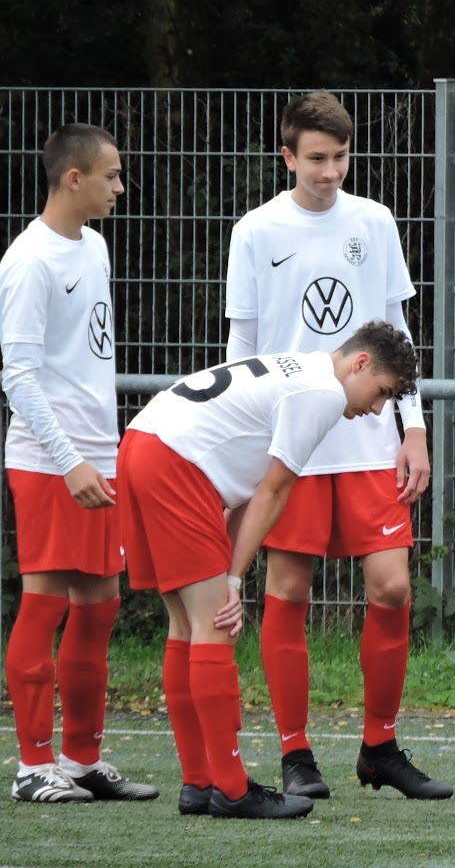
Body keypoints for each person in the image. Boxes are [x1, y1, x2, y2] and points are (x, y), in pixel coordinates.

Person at [224, 92, 449, 800]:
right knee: (288, 589)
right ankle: (296, 753)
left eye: (340, 157)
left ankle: (379, 744)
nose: (329, 171)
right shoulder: (256, 230)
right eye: (316, 158)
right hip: (293, 438)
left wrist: (413, 425)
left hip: (367, 436)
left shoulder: (374, 221)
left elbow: (396, 332)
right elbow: (243, 345)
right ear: (287, 156)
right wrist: (243, 438)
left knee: (393, 587)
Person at [119, 321, 420, 820]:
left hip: (142, 442)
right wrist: (233, 580)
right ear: (360, 363)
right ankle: (233, 789)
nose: (376, 408)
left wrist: (228, 566)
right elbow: (274, 491)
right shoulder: (323, 393)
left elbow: (246, 486)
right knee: (216, 624)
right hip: (176, 463)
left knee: (184, 624)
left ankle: (198, 783)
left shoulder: (301, 369)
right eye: (382, 392)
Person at [0, 124, 158, 804]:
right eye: (112, 175)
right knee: (45, 604)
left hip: (100, 455)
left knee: (98, 607)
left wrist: (103, 452)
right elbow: (19, 374)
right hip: (48, 461)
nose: (120, 188)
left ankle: (82, 758)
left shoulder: (93, 246)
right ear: (74, 178)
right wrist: (67, 461)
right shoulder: (29, 260)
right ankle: (33, 767)